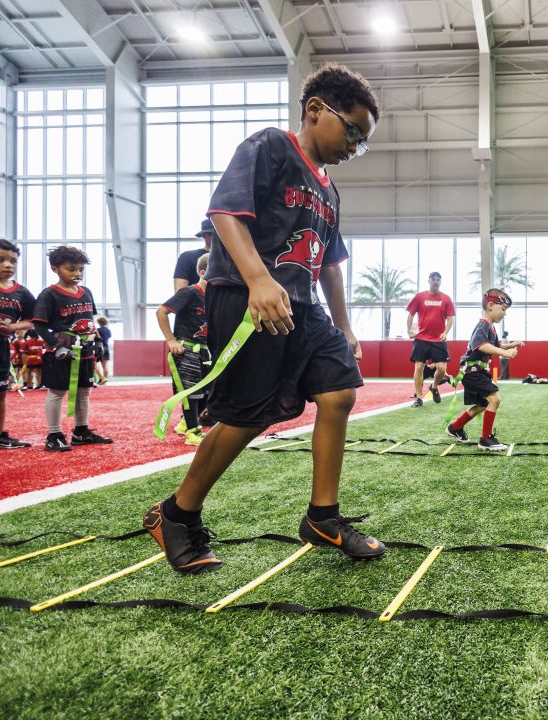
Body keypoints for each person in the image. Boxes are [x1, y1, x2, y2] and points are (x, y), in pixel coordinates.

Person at [143, 62, 385, 575]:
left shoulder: (329, 190)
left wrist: (343, 325)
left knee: (339, 390)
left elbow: (331, 265)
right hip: (247, 299)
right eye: (353, 131)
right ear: (316, 110)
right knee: (247, 417)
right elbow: (225, 213)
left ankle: (322, 516)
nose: (355, 147)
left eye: (363, 142)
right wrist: (257, 279)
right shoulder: (271, 145)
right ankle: (177, 514)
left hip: (303, 308)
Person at [31, 245, 114, 452]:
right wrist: (56, 346)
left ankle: (81, 432)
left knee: (84, 392)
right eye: (71, 269)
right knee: (57, 392)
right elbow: (40, 324)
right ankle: (54, 435)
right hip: (61, 353)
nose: (77, 274)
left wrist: (98, 342)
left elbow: (89, 319)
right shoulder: (49, 295)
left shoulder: (86, 292)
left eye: (80, 269)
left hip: (84, 351)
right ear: (55, 268)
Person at [446, 288, 524, 451]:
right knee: (495, 400)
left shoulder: (490, 327)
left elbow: (495, 345)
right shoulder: (483, 325)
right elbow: (482, 346)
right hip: (473, 373)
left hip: (476, 372)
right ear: (490, 306)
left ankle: (455, 427)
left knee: (482, 405)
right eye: (503, 309)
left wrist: (512, 344)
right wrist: (505, 353)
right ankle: (485, 439)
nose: (505, 314)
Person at [157, 253, 211, 446]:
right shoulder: (189, 292)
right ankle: (193, 432)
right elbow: (161, 312)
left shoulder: (215, 297)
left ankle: (184, 423)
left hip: (206, 351)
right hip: (186, 350)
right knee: (191, 393)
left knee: (208, 392)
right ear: (203, 272)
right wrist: (171, 340)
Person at [0, 239, 36, 449]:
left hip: (0, 347)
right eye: (0, 260)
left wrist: (13, 328)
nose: (8, 265)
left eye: (12, 261)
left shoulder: (21, 293)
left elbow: (33, 319)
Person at [405, 271, 455, 407]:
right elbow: (410, 314)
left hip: (438, 339)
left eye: (438, 279)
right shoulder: (420, 297)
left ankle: (434, 387)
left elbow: (450, 319)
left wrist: (445, 332)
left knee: (441, 368)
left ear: (440, 282)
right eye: (433, 279)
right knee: (419, 366)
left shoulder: (446, 299)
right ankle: (419, 398)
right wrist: (409, 330)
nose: (435, 281)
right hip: (421, 338)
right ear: (429, 281)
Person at [174, 219, 215, 292]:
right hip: (197, 302)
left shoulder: (231, 258)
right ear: (204, 235)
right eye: (212, 234)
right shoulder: (187, 257)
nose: (217, 237)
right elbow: (180, 293)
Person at [93, 316, 112, 384]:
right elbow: (109, 337)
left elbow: (95, 338)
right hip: (106, 347)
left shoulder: (98, 330)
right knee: (105, 366)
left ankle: (102, 378)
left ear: (99, 322)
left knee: (93, 364)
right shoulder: (108, 330)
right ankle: (104, 380)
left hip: (100, 347)